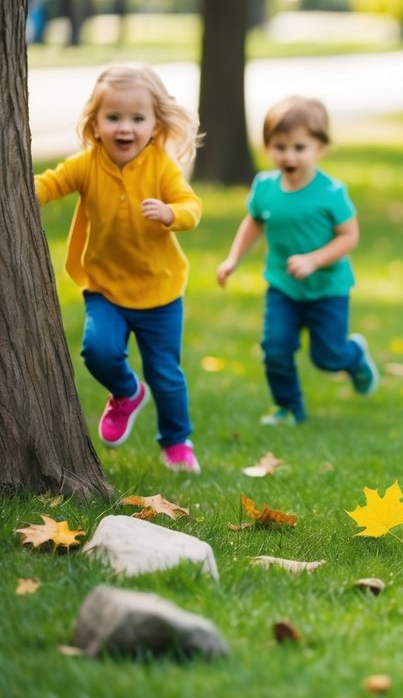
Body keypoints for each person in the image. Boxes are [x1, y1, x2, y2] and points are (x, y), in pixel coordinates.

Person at [34, 63, 203, 472]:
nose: (125, 128)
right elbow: (50, 184)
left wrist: (170, 213)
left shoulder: (161, 166)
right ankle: (127, 392)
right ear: (95, 124)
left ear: (154, 124)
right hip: (105, 287)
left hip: (159, 293)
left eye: (137, 118)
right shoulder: (87, 164)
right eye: (114, 118)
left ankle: (177, 442)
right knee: (98, 350)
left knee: (166, 374)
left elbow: (192, 206)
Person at [217, 96, 378, 426]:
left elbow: (350, 237)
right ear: (267, 146)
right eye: (279, 146)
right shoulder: (264, 186)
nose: (288, 156)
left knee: (328, 358)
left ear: (320, 147)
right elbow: (254, 222)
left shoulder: (331, 191)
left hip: (327, 289)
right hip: (282, 287)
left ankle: (354, 356)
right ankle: (289, 408)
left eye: (299, 147)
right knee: (275, 348)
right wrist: (233, 258)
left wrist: (314, 260)